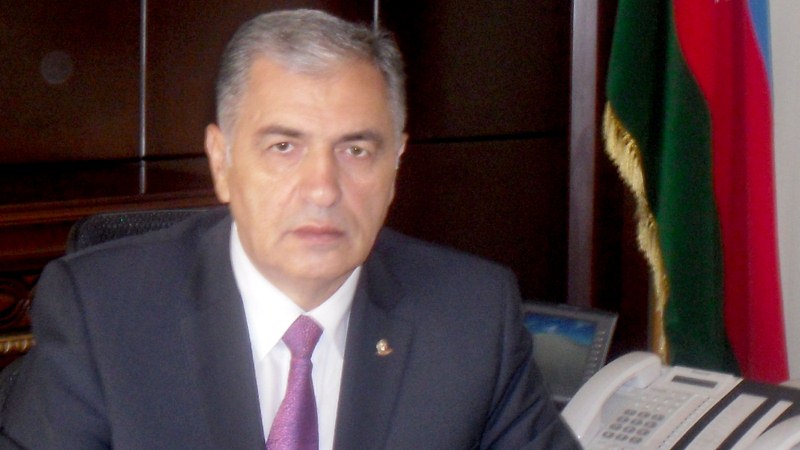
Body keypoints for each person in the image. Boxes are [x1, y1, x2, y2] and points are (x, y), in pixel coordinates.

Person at [0, 9, 579, 449]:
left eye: (356, 150)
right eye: (284, 146)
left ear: (395, 165)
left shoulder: (472, 318)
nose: (322, 188)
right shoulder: (103, 316)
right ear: (222, 162)